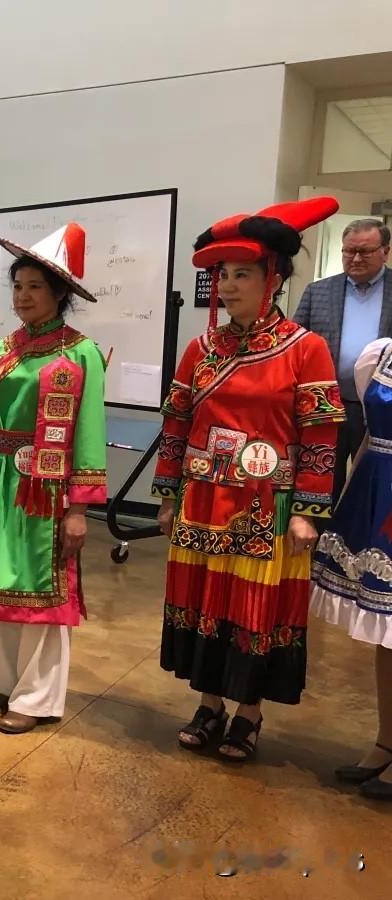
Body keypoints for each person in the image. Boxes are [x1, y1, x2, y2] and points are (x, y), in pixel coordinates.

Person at [153, 197, 345, 762]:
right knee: (204, 599)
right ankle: (209, 703)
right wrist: (167, 495)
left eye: (243, 274)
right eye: (224, 275)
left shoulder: (305, 349)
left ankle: (249, 713)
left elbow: (320, 435)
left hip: (267, 503)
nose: (229, 285)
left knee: (252, 606)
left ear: (274, 279)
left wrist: (308, 510)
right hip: (202, 498)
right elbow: (177, 425)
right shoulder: (200, 349)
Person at [0, 223, 107, 735]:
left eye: (34, 287)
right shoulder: (3, 351)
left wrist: (79, 508)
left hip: (48, 490)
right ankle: (7, 680)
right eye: (17, 285)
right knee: (5, 581)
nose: (22, 296)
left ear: (59, 293)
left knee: (43, 589)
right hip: (4, 483)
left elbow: (89, 432)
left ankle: (38, 697)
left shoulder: (80, 353)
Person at [310, 337, 392, 800]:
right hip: (377, 491)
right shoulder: (379, 355)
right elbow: (366, 438)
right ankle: (386, 742)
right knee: (387, 635)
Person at [293, 218, 392, 504]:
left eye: (365, 251)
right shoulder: (318, 291)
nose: (356, 258)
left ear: (385, 251)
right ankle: (318, 533)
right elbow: (295, 346)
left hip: (381, 410)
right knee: (322, 485)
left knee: (372, 489)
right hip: (327, 407)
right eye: (349, 251)